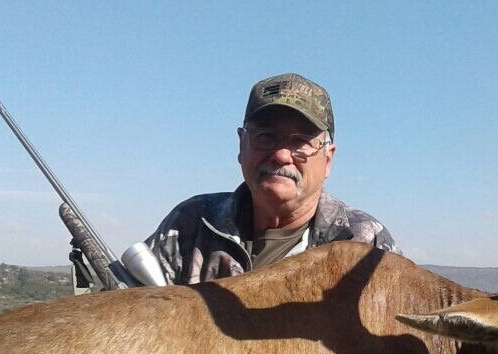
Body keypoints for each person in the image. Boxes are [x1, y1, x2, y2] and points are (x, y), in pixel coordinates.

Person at [140, 73, 398, 285]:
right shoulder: (191, 223)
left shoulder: (365, 244)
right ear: (242, 145)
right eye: (266, 137)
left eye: (301, 142)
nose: (282, 155)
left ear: (328, 159)